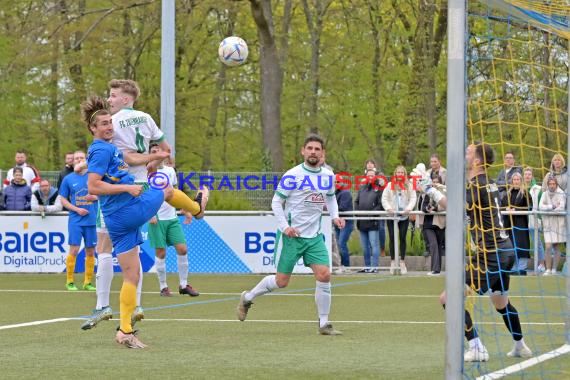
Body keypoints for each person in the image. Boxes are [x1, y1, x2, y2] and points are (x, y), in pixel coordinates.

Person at [80, 95, 208, 348]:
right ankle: (197, 208)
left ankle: (125, 332)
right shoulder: (101, 149)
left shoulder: (109, 148)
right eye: (103, 124)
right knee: (167, 189)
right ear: (93, 129)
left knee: (132, 274)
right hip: (128, 208)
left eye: (109, 122)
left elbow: (130, 159)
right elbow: (93, 185)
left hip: (117, 219)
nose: (109, 127)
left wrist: (152, 157)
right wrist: (126, 190)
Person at [412, 142, 532, 362]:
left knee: (448, 298)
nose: (465, 153)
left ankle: (476, 347)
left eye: (469, 151)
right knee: (500, 303)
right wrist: (435, 188)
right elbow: (463, 199)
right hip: (504, 252)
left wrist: (429, 190)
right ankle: (520, 345)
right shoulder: (488, 183)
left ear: (477, 160)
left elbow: (456, 208)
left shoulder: (478, 184)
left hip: (492, 254)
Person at [236, 134, 346, 335]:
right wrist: (285, 226)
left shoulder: (328, 176)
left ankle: (324, 324)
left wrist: (335, 217)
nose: (313, 152)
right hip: (291, 236)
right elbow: (276, 202)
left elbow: (330, 199)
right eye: (310, 148)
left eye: (317, 149)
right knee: (281, 282)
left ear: (323, 153)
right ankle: (248, 298)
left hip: (314, 237)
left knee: (325, 274)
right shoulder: (293, 175)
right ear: (303, 151)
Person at [148, 144, 199, 297]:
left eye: (159, 151)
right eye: (153, 152)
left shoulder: (170, 171)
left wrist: (186, 210)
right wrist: (150, 214)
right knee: (161, 253)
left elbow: (176, 194)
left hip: (172, 217)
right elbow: (144, 194)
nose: (157, 153)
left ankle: (183, 284)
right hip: (156, 218)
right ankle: (163, 287)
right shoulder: (147, 172)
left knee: (182, 249)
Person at [59, 151, 98, 291]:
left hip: (92, 219)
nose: (79, 160)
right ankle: (70, 281)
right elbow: (62, 199)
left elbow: (105, 193)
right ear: (73, 161)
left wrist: (96, 198)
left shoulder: (94, 177)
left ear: (85, 160)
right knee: (74, 250)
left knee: (90, 251)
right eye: (76, 158)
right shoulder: (68, 179)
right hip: (76, 219)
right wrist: (76, 209)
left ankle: (87, 282)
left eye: (81, 158)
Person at [382, 165, 416, 274]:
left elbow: (413, 198)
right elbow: (384, 198)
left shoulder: (409, 185)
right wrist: (388, 208)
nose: (400, 174)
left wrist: (408, 208)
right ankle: (393, 262)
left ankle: (402, 262)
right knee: (392, 238)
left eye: (402, 172)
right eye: (398, 172)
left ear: (404, 174)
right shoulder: (390, 185)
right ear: (395, 174)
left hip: (404, 216)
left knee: (402, 238)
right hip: (392, 216)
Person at [501, 172, 531, 275]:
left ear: (521, 181)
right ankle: (513, 268)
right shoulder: (507, 193)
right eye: (515, 180)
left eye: (518, 179)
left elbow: (528, 207)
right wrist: (506, 208)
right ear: (512, 181)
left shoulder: (525, 193)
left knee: (521, 244)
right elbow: (501, 206)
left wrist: (516, 209)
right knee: (511, 245)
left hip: (520, 223)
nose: (516, 181)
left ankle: (522, 268)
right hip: (509, 224)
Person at [355, 169, 383, 273]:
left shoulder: (379, 189)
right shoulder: (361, 188)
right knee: (365, 246)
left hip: (372, 221)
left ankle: (374, 266)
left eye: (372, 176)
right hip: (362, 221)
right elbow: (356, 201)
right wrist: (358, 213)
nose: (370, 177)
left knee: (374, 244)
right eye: (368, 176)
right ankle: (367, 266)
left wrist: (371, 213)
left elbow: (380, 205)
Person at [417, 173, 445, 275]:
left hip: (439, 223)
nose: (435, 183)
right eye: (433, 181)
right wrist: (427, 209)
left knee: (438, 245)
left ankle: (437, 269)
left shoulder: (443, 192)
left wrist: (436, 208)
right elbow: (422, 206)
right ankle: (435, 269)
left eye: (437, 182)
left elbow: (445, 205)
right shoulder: (426, 192)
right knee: (433, 244)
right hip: (427, 223)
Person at [539, 176, 566, 275]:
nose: (551, 185)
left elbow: (562, 207)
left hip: (558, 224)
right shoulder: (545, 193)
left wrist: (549, 210)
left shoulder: (561, 193)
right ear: (548, 184)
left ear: (556, 184)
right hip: (548, 224)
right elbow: (540, 206)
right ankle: (548, 269)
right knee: (548, 246)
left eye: (553, 184)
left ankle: (554, 269)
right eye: (550, 184)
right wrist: (552, 206)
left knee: (556, 247)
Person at [523, 167, 545, 272]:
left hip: (534, 218)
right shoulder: (520, 187)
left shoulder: (538, 188)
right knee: (524, 242)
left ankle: (542, 263)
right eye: (526, 174)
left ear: (532, 176)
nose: (527, 176)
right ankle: (522, 264)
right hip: (522, 219)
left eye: (529, 174)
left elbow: (541, 203)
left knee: (537, 241)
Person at [364, 159, 386, 256]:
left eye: (371, 163)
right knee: (368, 229)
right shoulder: (363, 177)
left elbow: (383, 188)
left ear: (374, 165)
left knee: (381, 228)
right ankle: (371, 250)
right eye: (367, 164)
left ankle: (382, 248)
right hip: (367, 209)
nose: (369, 165)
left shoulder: (380, 176)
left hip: (379, 207)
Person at [334, 185, 354, 270]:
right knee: (339, 244)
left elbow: (343, 207)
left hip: (346, 221)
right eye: (334, 182)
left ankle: (346, 266)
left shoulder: (345, 192)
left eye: (338, 181)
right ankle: (342, 265)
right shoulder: (335, 192)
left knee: (341, 243)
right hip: (338, 220)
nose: (336, 183)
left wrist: (330, 209)